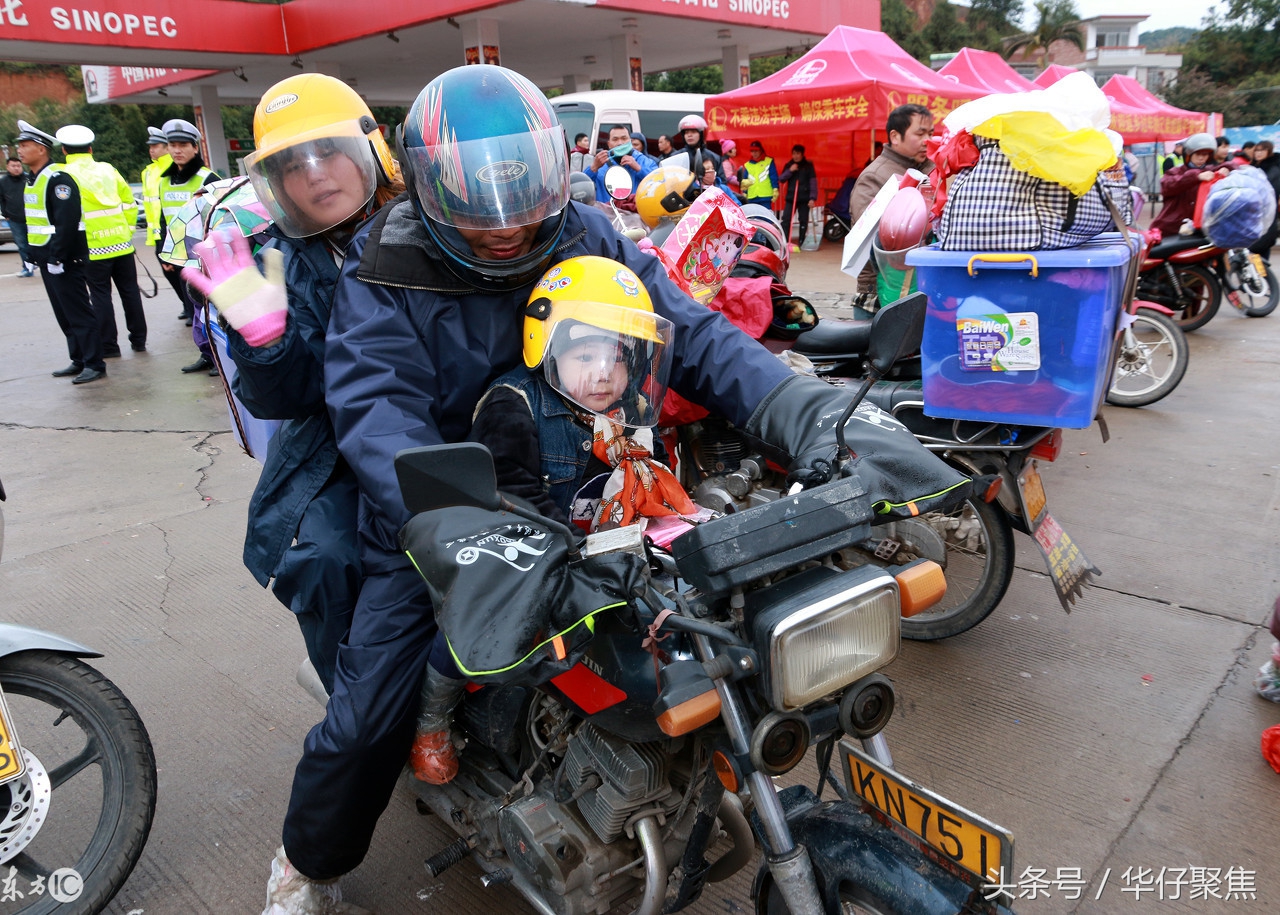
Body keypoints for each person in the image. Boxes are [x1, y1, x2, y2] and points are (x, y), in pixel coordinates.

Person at [262, 63, 967, 912]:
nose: (506, 226)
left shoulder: (588, 231)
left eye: (522, 192)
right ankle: (309, 862)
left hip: (602, 490)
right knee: (364, 719)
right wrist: (454, 521)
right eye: (479, 204)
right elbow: (376, 415)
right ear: (426, 181)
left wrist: (809, 412)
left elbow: (698, 336)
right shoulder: (386, 272)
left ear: (550, 167)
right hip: (451, 520)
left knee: (732, 620)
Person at [410, 255, 691, 783]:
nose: (604, 371)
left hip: (600, 555)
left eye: (617, 356)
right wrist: (570, 551)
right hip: (521, 553)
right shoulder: (512, 405)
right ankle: (432, 720)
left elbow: (652, 479)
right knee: (470, 621)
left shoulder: (626, 410)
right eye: (585, 354)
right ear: (547, 348)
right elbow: (509, 495)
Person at [182, 74, 404, 710]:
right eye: (290, 165)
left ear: (373, 150)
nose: (315, 176)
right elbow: (283, 400)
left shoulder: (433, 228)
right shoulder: (275, 264)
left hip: (451, 424)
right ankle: (359, 706)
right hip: (336, 445)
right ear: (272, 184)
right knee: (327, 557)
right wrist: (265, 343)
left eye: (328, 153)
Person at [15, 119, 106, 385]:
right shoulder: (34, 179)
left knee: (78, 311)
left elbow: (67, 222)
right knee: (63, 313)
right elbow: (37, 220)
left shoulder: (58, 179)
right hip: (46, 257)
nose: (19, 150)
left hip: (63, 258)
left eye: (25, 145)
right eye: (19, 145)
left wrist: (57, 256)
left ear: (42, 149)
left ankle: (94, 363)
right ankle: (78, 358)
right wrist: (34, 253)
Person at [55, 125, 147, 356]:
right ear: (91, 149)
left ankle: (109, 346)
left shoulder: (64, 174)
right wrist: (125, 230)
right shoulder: (108, 169)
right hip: (121, 241)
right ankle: (139, 341)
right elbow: (128, 202)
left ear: (64, 151)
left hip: (92, 246)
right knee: (130, 291)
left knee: (100, 296)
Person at [849, 104, 935, 295]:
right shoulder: (874, 177)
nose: (927, 141)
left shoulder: (933, 170)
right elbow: (876, 237)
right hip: (882, 289)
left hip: (923, 283)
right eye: (920, 134)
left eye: (930, 133)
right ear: (895, 136)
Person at [157, 118, 221, 372]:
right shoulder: (164, 181)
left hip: (206, 255)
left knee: (212, 307)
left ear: (195, 147)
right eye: (172, 145)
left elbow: (219, 220)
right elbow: (165, 219)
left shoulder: (208, 178)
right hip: (182, 256)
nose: (176, 150)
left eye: (183, 144)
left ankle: (220, 356)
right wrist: (167, 254)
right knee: (195, 309)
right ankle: (206, 354)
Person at [1151, 133, 1235, 238]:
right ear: (1188, 154)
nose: (1201, 158)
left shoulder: (1211, 170)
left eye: (1204, 155)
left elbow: (1233, 165)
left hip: (1202, 228)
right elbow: (1168, 185)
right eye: (1197, 154)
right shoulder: (1175, 172)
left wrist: (1227, 168)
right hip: (1172, 228)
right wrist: (1196, 177)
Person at [583, 123, 656, 202]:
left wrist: (638, 168)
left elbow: (659, 182)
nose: (620, 143)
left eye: (624, 138)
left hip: (637, 212)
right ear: (609, 144)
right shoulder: (601, 163)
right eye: (615, 139)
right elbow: (582, 185)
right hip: (608, 212)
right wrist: (593, 168)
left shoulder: (643, 161)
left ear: (630, 141)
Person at [778, 144, 817, 246]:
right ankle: (785, 241)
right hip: (791, 197)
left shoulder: (808, 166)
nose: (795, 156)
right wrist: (790, 171)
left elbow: (813, 182)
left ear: (802, 154)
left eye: (798, 154)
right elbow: (781, 179)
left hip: (805, 198)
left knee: (803, 220)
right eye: (794, 153)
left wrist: (812, 198)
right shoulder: (789, 165)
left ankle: (802, 241)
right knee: (786, 219)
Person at [1, 156, 34, 276]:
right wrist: (5, 214)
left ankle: (43, 264)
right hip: (14, 219)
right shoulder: (3, 182)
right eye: (13, 166)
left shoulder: (29, 178)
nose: (16, 168)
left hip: (33, 218)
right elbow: (1, 199)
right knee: (22, 245)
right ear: (8, 167)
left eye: (18, 166)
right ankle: (27, 268)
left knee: (36, 243)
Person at [140, 127, 171, 250]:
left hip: (174, 231)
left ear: (167, 148)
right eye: (150, 147)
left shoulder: (175, 167)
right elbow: (148, 206)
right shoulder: (147, 172)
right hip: (158, 235)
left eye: (155, 146)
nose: (151, 150)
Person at [676, 113, 720, 180]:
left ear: (701, 134)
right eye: (686, 132)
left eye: (693, 132)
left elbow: (721, 181)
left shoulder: (714, 157)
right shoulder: (677, 157)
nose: (689, 135)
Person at [737, 140, 779, 207]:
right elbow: (745, 181)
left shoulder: (768, 161)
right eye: (752, 151)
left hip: (765, 196)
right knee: (753, 217)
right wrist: (745, 193)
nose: (754, 153)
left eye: (756, 151)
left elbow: (773, 176)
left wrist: (775, 189)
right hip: (752, 196)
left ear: (761, 150)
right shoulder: (748, 165)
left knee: (765, 216)